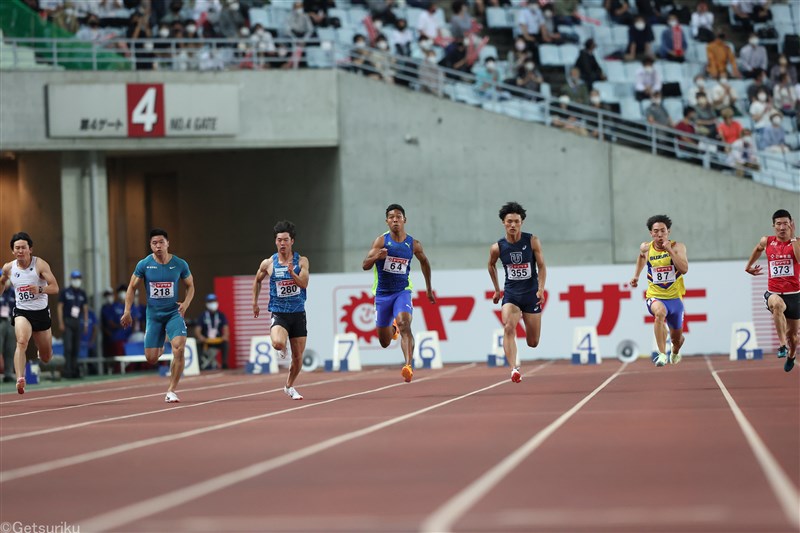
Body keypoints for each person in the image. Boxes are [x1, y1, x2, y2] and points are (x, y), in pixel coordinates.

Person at [362, 204, 435, 383]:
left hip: (402, 291)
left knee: (405, 324)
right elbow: (365, 264)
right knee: (384, 342)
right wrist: (376, 257)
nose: (395, 220)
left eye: (398, 217)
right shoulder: (380, 242)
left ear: (404, 220)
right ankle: (392, 329)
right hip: (382, 295)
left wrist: (428, 288)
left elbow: (425, 263)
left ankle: (408, 366)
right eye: (391, 217)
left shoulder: (413, 244)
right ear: (387, 221)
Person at [120, 229, 194, 403]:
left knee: (179, 347)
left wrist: (186, 303)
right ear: (150, 246)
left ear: (168, 243)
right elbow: (131, 287)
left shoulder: (179, 264)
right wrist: (127, 311)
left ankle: (171, 390)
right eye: (154, 243)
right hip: (153, 315)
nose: (158, 246)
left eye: (161, 242)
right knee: (151, 358)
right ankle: (161, 341)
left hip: (173, 313)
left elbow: (190, 285)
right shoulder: (144, 265)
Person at [488, 202, 547, 383]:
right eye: (509, 222)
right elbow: (491, 265)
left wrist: (540, 289)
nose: (513, 225)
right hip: (512, 295)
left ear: (522, 222)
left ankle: (517, 358)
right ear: (503, 223)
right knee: (508, 327)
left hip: (530, 295)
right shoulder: (497, 247)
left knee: (533, 342)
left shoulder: (532, 241)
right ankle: (514, 368)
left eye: (516, 221)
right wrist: (497, 290)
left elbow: (542, 266)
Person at [252, 220, 310, 400]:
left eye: (285, 240)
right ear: (275, 241)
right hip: (279, 312)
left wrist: (293, 274)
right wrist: (255, 302)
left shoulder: (302, 261)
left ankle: (289, 386)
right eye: (279, 240)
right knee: (277, 343)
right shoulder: (269, 263)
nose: (282, 243)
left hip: (298, 313)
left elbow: (304, 284)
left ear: (292, 241)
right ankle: (281, 345)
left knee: (298, 358)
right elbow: (257, 281)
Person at [0, 232, 60, 394]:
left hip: (40, 313)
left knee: (46, 358)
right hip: (22, 311)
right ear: (13, 251)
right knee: (21, 342)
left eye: (23, 248)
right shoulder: (8, 267)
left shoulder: (40, 265)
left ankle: (43, 350)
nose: (20, 251)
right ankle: (20, 378)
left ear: (30, 249)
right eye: (17, 248)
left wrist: (40, 289)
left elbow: (55, 287)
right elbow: (3, 281)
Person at [630, 215, 688, 367]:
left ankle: (675, 351)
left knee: (677, 340)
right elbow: (642, 256)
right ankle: (662, 354)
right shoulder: (646, 247)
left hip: (675, 300)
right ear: (651, 233)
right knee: (659, 313)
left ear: (668, 231)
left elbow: (684, 269)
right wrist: (636, 276)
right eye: (656, 231)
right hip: (655, 296)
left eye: (663, 231)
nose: (659, 235)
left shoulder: (678, 247)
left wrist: (669, 250)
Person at [745, 210, 799, 372]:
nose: (782, 227)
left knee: (794, 337)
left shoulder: (796, 242)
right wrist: (748, 266)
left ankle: (791, 354)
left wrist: (794, 236)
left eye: (785, 223)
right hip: (774, 292)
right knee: (776, 304)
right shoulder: (767, 241)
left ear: (791, 223)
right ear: (773, 226)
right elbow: (758, 248)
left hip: (794, 295)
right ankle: (782, 345)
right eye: (778, 224)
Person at [57, 269, 88, 379]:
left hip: (77, 321)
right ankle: (67, 370)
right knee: (68, 347)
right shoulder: (65, 292)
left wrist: (85, 323)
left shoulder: (82, 293)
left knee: (76, 347)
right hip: (68, 321)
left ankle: (75, 370)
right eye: (75, 279)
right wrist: (61, 322)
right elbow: (60, 307)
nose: (77, 281)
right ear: (71, 280)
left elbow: (85, 309)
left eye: (78, 279)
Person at [195, 293, 229, 370]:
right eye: (210, 302)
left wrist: (225, 336)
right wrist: (200, 337)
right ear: (206, 303)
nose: (212, 303)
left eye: (214, 301)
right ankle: (200, 364)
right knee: (198, 343)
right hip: (206, 340)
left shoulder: (221, 315)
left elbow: (226, 328)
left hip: (218, 340)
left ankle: (224, 363)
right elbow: (197, 330)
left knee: (226, 343)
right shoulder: (202, 316)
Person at [0, 280, 16, 383]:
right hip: (0, 321)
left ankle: (8, 374)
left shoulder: (14, 292)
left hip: (11, 321)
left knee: (10, 349)